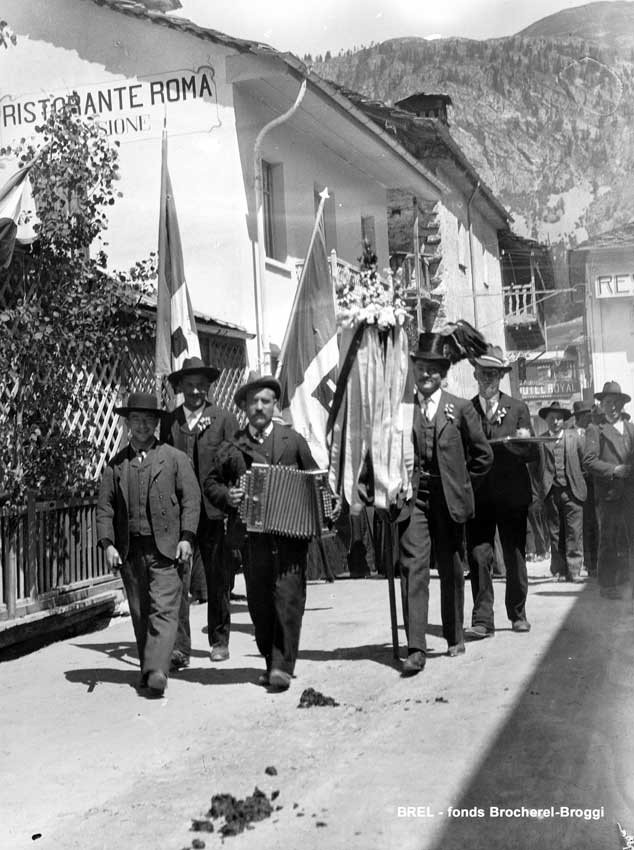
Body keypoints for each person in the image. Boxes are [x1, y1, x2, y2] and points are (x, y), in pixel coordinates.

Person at [204, 372, 322, 690]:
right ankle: (271, 662)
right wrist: (228, 496)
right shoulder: (233, 447)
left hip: (290, 535)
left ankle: (282, 666)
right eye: (253, 401)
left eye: (265, 401)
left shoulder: (292, 440)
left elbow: (314, 479)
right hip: (252, 538)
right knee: (259, 604)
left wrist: (323, 505)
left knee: (288, 598)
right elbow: (211, 483)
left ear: (274, 406)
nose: (259, 407)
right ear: (244, 406)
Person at [397, 333, 493, 676]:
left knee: (451, 567)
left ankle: (454, 635)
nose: (425, 375)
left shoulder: (460, 408)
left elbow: (483, 456)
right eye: (420, 368)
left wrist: (463, 487)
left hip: (448, 501)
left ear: (442, 373)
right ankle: (417, 648)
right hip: (414, 500)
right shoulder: (403, 410)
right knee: (413, 567)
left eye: (432, 370)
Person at [96, 392, 200, 696]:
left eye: (148, 420)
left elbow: (191, 502)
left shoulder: (175, 459)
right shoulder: (116, 466)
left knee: (164, 609)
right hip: (131, 552)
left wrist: (186, 537)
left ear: (156, 423)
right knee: (141, 611)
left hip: (166, 550)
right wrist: (107, 544)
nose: (142, 426)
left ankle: (156, 669)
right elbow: (105, 509)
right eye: (136, 420)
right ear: (128, 424)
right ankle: (149, 666)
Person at [160, 356, 239, 668]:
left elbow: (236, 465)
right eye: (190, 385)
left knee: (218, 579)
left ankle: (219, 640)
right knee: (178, 580)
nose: (196, 392)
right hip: (180, 514)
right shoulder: (169, 422)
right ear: (180, 387)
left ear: (209, 388)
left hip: (214, 512)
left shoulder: (223, 419)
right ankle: (180, 647)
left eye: (201, 386)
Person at [466, 344, 539, 638]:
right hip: (480, 496)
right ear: (475, 375)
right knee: (479, 556)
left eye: (493, 374)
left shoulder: (518, 408)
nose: (488, 380)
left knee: (514, 554)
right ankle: (483, 619)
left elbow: (532, 452)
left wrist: (518, 446)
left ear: (501, 376)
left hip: (511, 494)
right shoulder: (466, 410)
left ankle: (518, 614)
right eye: (483, 374)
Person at [583, 381, 634, 598]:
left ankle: (627, 581)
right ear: (601, 405)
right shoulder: (595, 429)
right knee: (609, 538)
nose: (611, 406)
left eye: (615, 402)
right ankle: (607, 585)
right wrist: (614, 469)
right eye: (607, 402)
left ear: (622, 404)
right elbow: (589, 460)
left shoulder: (631, 429)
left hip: (631, 492)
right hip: (610, 494)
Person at [538, 401, 586, 583]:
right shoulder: (541, 440)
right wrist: (542, 486)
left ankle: (574, 571)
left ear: (564, 420)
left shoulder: (575, 438)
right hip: (551, 492)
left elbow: (585, 461)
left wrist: (579, 481)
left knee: (574, 531)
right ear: (546, 420)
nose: (556, 422)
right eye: (552, 418)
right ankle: (558, 570)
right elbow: (535, 468)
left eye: (559, 418)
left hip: (573, 491)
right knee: (555, 532)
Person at [573, 400, 598, 577]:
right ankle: (584, 563)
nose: (590, 418)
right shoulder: (571, 435)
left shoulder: (594, 432)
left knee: (593, 525)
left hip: (594, 485)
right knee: (579, 527)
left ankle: (593, 564)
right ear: (580, 417)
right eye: (587, 415)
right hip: (576, 485)